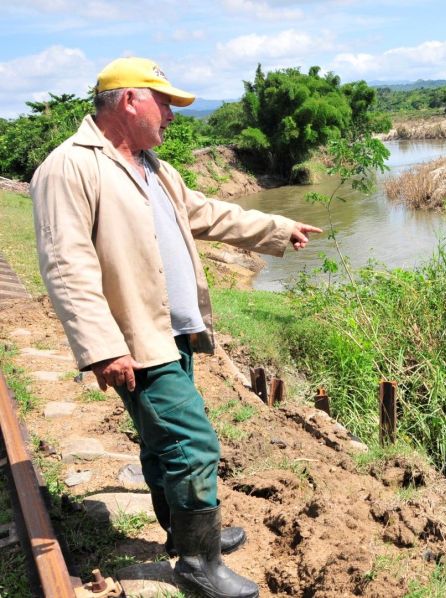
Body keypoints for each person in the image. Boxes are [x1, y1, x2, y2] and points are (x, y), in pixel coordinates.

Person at [30, 57, 321, 598]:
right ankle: (196, 562)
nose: (170, 114)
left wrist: (277, 227)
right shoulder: (70, 167)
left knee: (161, 443)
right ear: (129, 101)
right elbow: (65, 264)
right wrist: (101, 347)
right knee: (193, 445)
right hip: (135, 340)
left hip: (173, 331)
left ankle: (180, 534)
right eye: (163, 102)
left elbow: (208, 214)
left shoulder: (154, 167)